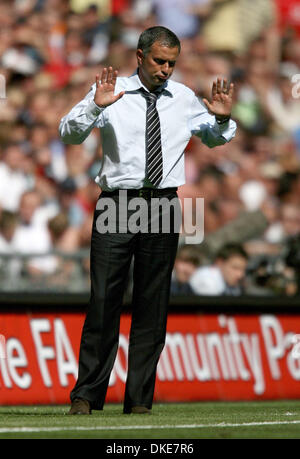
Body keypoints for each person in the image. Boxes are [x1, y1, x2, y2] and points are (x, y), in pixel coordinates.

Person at [59, 26, 236, 415]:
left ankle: (139, 401)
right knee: (104, 300)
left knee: (152, 305)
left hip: (164, 205)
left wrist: (222, 120)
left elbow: (215, 137)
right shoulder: (111, 92)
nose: (166, 69)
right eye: (159, 61)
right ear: (139, 57)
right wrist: (96, 107)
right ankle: (87, 396)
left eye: (172, 62)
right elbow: (69, 133)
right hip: (116, 204)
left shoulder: (184, 98)